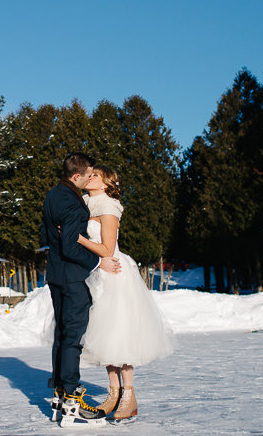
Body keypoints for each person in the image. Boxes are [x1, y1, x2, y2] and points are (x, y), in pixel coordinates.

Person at [77, 164, 175, 422]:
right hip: (98, 274)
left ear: (107, 183)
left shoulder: (108, 207)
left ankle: (129, 396)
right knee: (104, 337)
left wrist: (77, 239)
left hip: (115, 274)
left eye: (96, 175)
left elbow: (107, 249)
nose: (90, 178)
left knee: (120, 335)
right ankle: (113, 393)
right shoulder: (85, 203)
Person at [40, 153, 121, 423]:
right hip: (73, 276)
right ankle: (72, 396)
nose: (90, 178)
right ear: (77, 176)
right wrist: (98, 263)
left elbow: (46, 236)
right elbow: (70, 246)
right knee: (73, 336)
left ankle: (60, 392)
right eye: (88, 174)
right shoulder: (74, 204)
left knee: (62, 333)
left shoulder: (53, 195)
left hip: (55, 274)